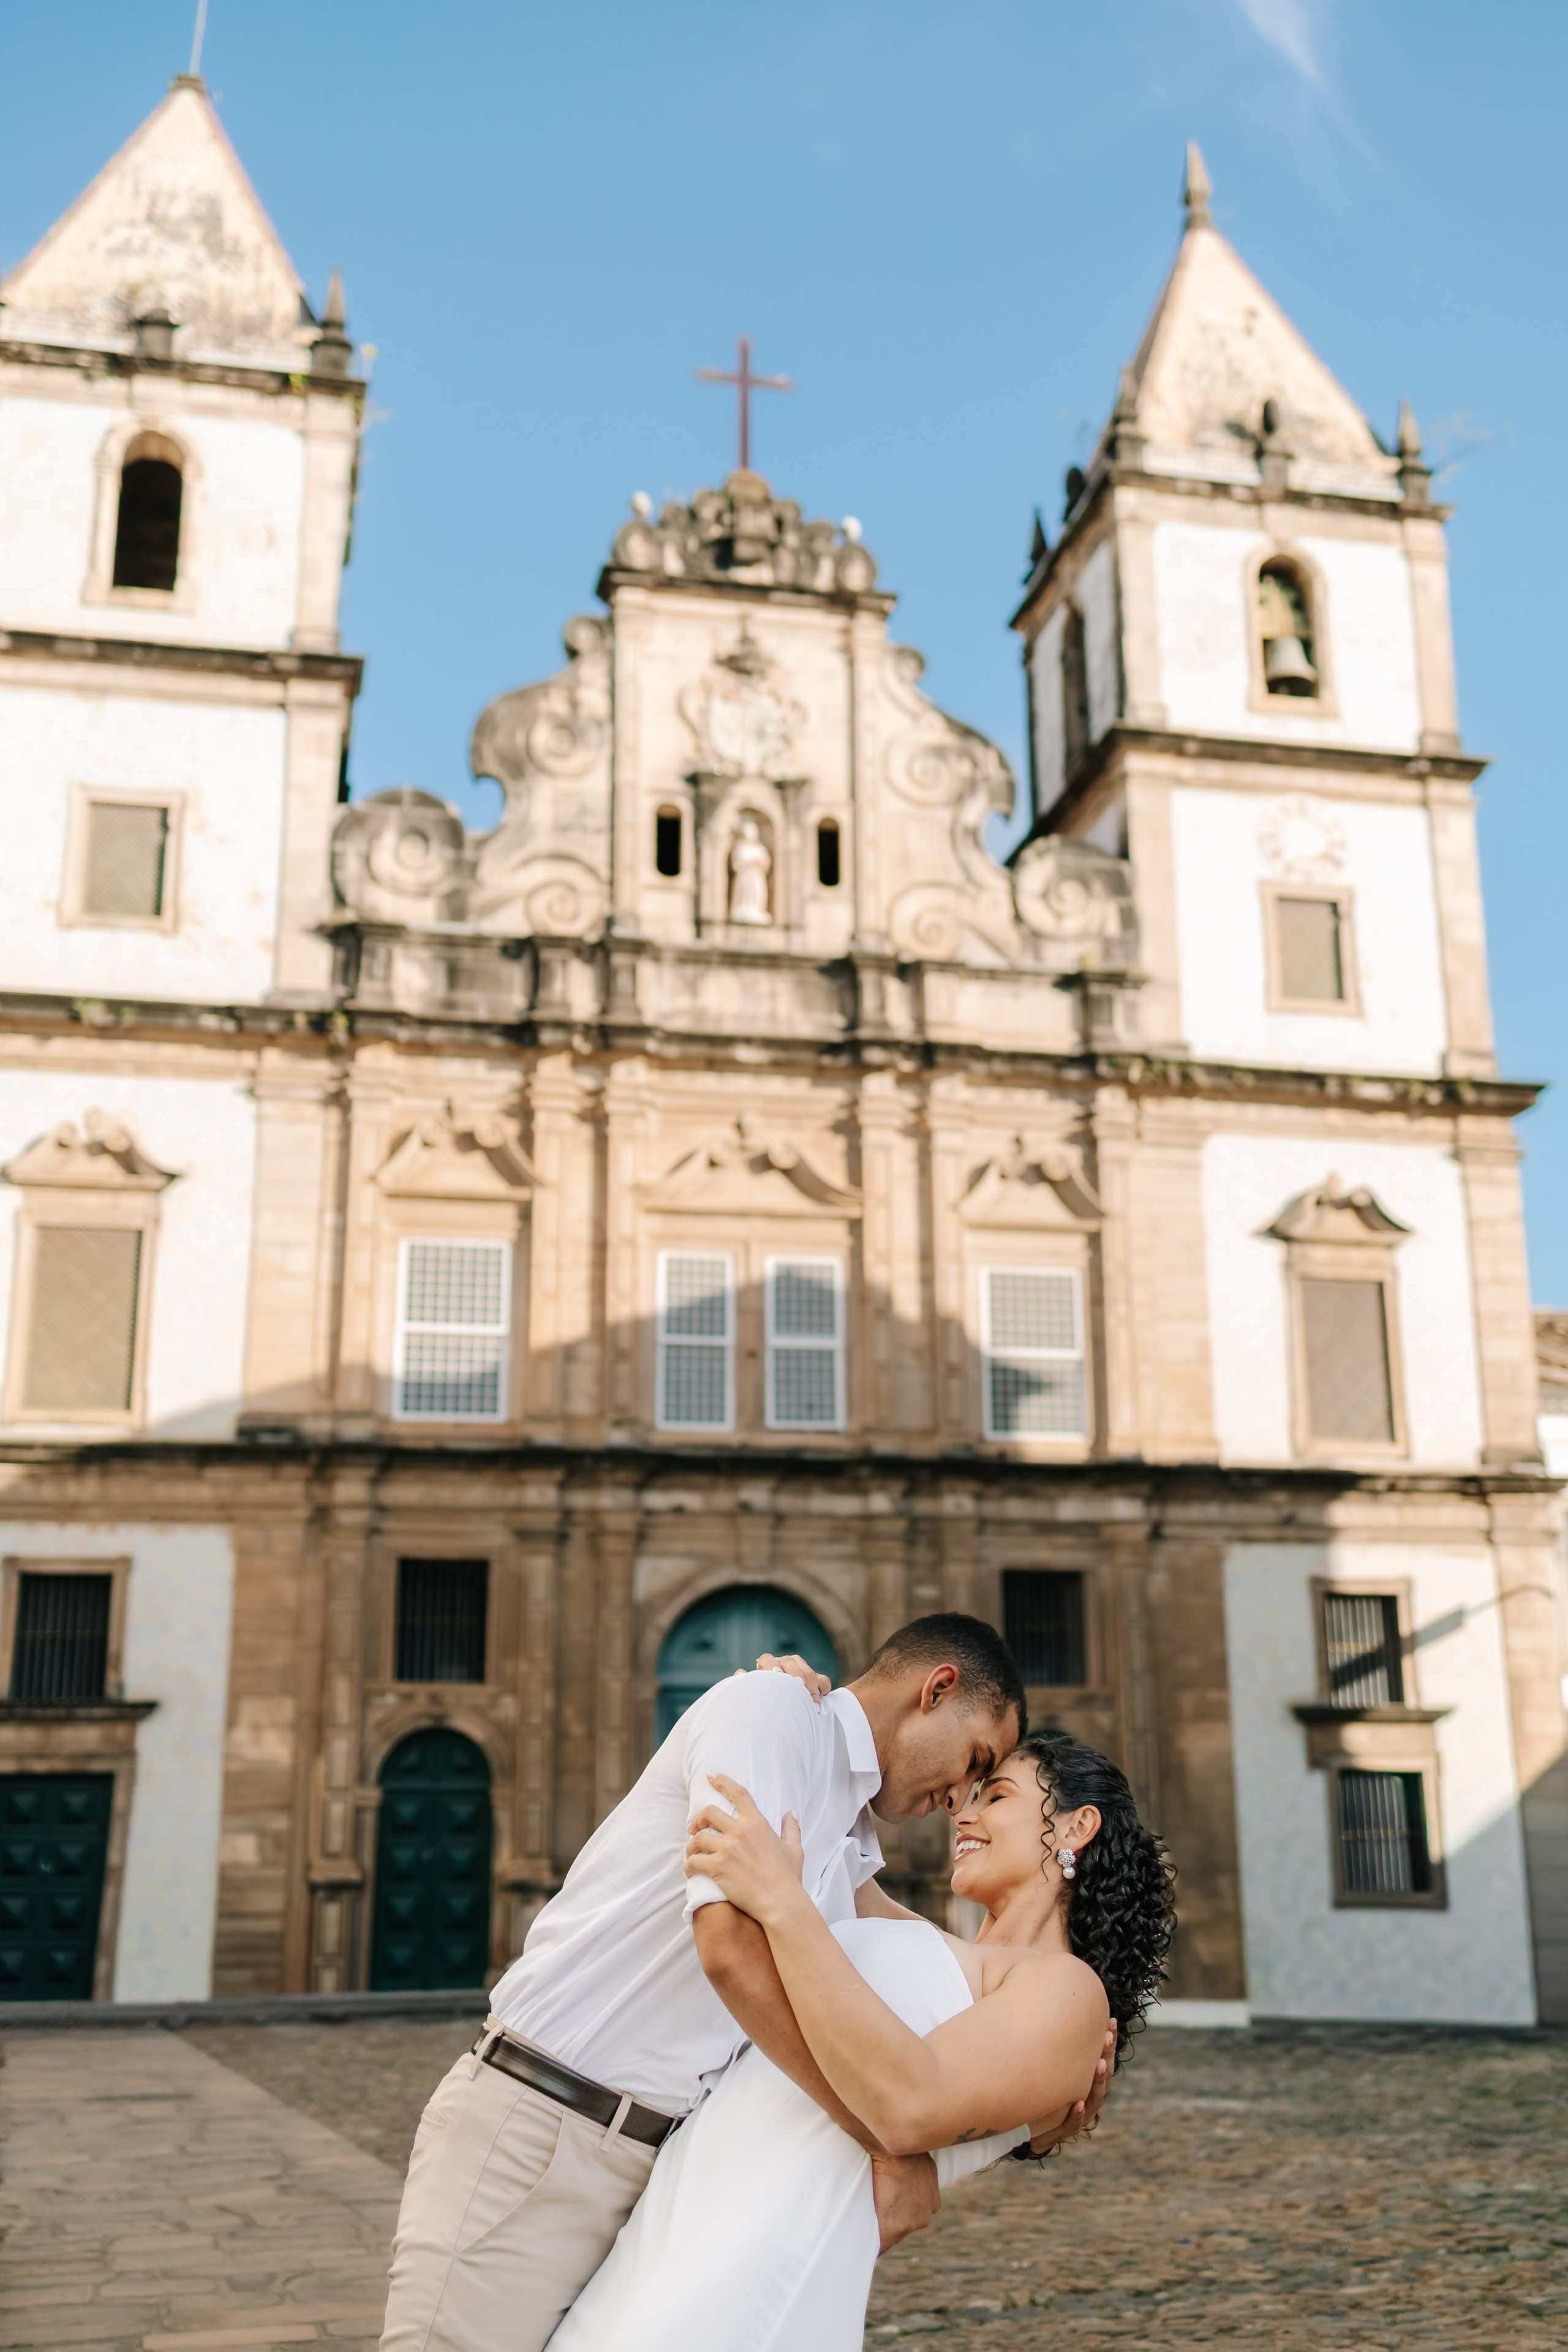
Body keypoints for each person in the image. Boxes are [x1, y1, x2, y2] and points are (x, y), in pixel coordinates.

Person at [379, 1615, 1101, 2352]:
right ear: (936, 1689)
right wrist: (884, 2144)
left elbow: (929, 1971)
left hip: (653, 2171)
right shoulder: (772, 1713)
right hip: (542, 2127)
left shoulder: (852, 1830)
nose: (962, 1798)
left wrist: (1039, 2097)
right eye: (976, 1758)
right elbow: (728, 1947)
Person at [549, 1732, 1175, 2352]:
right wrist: (808, 1707)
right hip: (672, 2223)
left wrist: (783, 1903)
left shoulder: (1070, 1992)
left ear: (1076, 1826)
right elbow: (838, 1823)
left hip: (762, 2256)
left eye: (997, 1796)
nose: (965, 1812)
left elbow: (912, 2106)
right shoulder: (930, 1942)